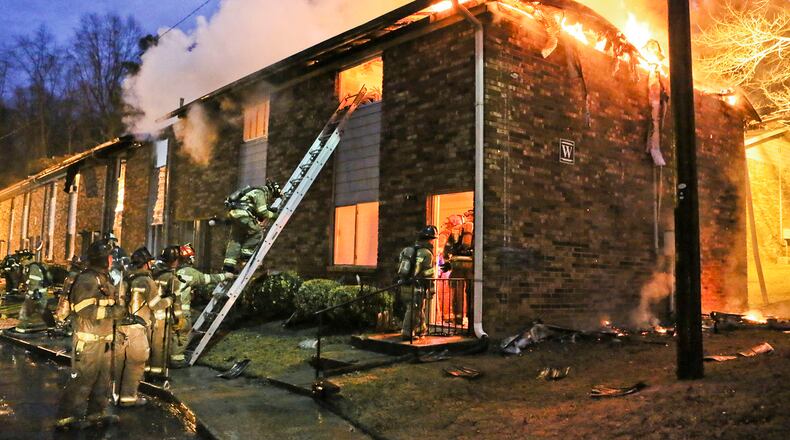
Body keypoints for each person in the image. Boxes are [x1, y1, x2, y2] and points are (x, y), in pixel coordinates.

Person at [55, 240, 126, 430]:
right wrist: (112, 312)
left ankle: (96, 414)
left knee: (103, 381)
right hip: (88, 342)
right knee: (82, 380)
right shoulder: (87, 279)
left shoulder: (103, 279)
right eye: (110, 257)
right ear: (103, 259)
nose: (112, 260)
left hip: (104, 340)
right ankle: (67, 418)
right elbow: (83, 308)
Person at [170, 243, 234, 367]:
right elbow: (206, 279)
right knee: (183, 334)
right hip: (182, 311)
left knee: (174, 334)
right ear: (189, 258)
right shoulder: (189, 272)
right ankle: (177, 360)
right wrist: (225, 276)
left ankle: (170, 357)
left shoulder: (174, 271)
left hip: (171, 309)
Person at [113, 247, 161, 407]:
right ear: (146, 263)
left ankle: (115, 396)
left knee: (118, 363)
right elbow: (155, 305)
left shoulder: (124, 279)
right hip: (136, 329)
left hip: (119, 327)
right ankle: (128, 399)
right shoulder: (147, 281)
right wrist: (169, 300)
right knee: (135, 363)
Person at [222, 180, 282, 273]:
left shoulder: (253, 191)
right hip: (243, 215)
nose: (271, 199)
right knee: (257, 232)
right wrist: (275, 216)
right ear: (271, 191)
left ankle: (228, 266)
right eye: (272, 197)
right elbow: (262, 212)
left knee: (236, 239)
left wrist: (270, 210)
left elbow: (254, 208)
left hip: (234, 215)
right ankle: (246, 254)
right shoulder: (260, 192)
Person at [397, 226, 437, 341]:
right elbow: (429, 273)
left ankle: (421, 329)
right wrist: (432, 289)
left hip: (404, 285)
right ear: (430, 240)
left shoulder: (407, 250)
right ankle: (407, 332)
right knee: (413, 310)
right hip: (417, 287)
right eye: (432, 240)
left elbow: (400, 266)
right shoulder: (427, 254)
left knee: (418, 309)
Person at [149, 246, 180, 376]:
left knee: (149, 344)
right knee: (159, 347)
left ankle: (146, 373)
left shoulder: (151, 272)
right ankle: (157, 374)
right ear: (175, 261)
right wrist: (179, 318)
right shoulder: (172, 279)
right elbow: (176, 302)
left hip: (148, 315)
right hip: (162, 317)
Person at [442, 209, 474, 326]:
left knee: (457, 294)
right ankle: (471, 319)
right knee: (471, 293)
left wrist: (447, 262)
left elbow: (447, 247)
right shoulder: (478, 230)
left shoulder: (456, 230)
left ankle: (458, 319)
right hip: (472, 266)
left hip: (457, 266)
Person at [14, 250, 51, 333]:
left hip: (35, 294)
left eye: (22, 260)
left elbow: (34, 281)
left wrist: (31, 293)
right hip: (39, 294)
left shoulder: (33, 267)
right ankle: (52, 327)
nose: (21, 262)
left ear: (26, 259)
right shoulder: (33, 266)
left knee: (25, 312)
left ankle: (20, 329)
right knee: (44, 311)